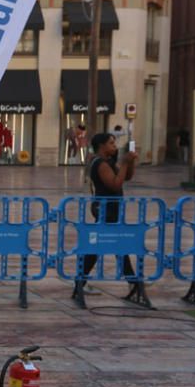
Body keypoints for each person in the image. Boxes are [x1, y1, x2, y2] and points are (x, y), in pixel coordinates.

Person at [71, 132, 140, 308]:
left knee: (104, 247)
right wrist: (124, 163)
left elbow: (127, 177)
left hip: (111, 210)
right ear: (101, 146)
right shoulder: (100, 164)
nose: (114, 146)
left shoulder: (108, 162)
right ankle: (134, 282)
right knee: (111, 246)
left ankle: (80, 283)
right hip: (105, 210)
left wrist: (129, 163)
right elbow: (115, 184)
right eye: (111, 143)